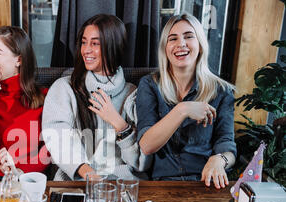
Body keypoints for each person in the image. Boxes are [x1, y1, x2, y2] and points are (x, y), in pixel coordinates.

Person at [42, 14, 150, 181]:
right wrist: (89, 175)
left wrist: (119, 124)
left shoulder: (133, 94)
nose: (86, 50)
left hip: (122, 183)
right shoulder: (64, 88)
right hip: (79, 180)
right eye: (84, 42)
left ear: (113, 46)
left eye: (95, 43)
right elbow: (57, 138)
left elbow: (140, 163)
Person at [136, 13, 237, 189]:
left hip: (206, 182)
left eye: (189, 36)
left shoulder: (222, 91)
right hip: (163, 185)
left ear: (200, 44)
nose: (181, 44)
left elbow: (227, 144)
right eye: (172, 39)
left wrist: (219, 159)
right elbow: (146, 145)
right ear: (165, 48)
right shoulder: (149, 85)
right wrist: (182, 110)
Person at [0, 26, 50, 180]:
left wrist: (21, 172)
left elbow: (49, 150)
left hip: (30, 177)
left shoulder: (45, 97)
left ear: (19, 59)